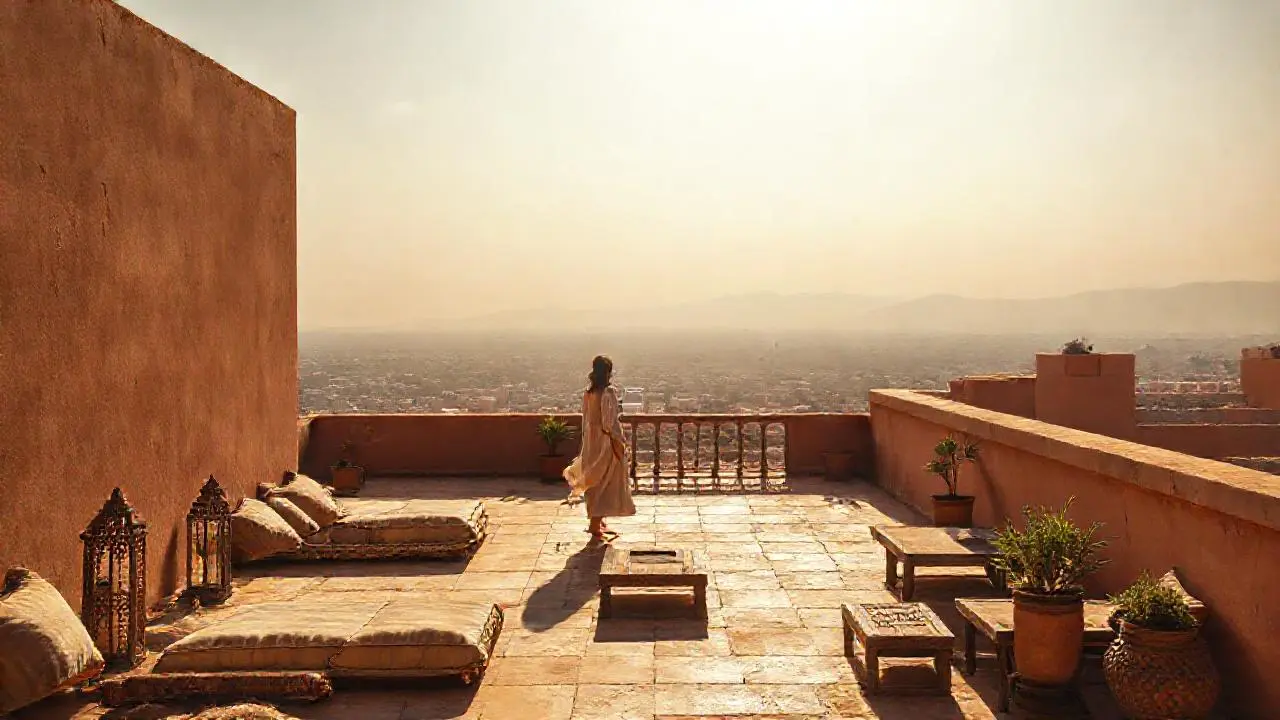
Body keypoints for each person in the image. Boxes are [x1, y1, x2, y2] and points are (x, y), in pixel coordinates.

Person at [562, 355, 636, 540]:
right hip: (606, 443)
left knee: (594, 479)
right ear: (608, 373)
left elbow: (587, 419)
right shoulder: (608, 393)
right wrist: (619, 441)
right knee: (606, 482)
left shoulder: (589, 392)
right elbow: (609, 423)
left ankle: (597, 521)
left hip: (592, 442)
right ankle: (595, 524)